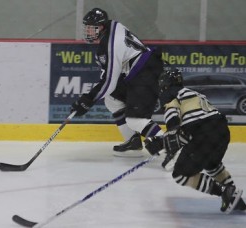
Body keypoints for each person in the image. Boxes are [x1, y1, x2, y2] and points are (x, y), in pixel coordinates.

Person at [70, 8, 165, 158]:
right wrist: (89, 97)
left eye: (91, 28)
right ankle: (132, 141)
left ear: (100, 27)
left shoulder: (110, 44)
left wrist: (88, 100)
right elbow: (109, 78)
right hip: (138, 72)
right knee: (112, 99)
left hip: (146, 74)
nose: (88, 32)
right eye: (86, 28)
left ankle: (170, 147)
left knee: (135, 120)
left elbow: (109, 82)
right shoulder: (112, 27)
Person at [147, 69, 245, 213]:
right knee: (212, 166)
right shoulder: (194, 94)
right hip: (222, 131)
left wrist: (161, 143)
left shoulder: (169, 95)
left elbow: (175, 129)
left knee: (180, 175)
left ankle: (224, 191)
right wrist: (166, 142)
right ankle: (236, 200)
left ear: (165, 85)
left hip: (202, 134)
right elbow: (187, 133)